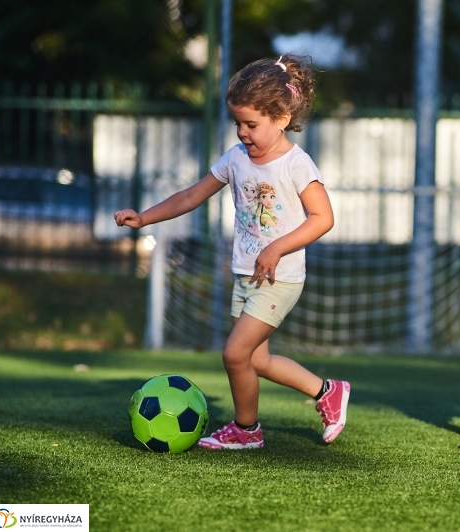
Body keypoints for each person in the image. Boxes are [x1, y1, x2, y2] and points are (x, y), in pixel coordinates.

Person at [114, 55, 350, 450]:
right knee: (257, 360)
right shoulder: (236, 158)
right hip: (247, 274)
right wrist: (145, 218)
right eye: (238, 123)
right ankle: (327, 391)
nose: (242, 132)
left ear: (280, 117)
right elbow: (192, 194)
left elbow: (323, 218)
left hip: (281, 277)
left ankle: (247, 429)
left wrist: (277, 247)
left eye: (251, 124)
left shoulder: (296, 164)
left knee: (234, 354)